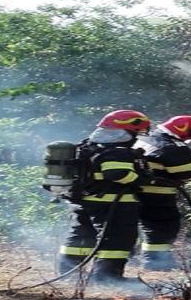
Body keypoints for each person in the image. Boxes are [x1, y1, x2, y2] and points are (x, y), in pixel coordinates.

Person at [58, 109, 150, 286]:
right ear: (125, 131)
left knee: (81, 236)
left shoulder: (88, 146)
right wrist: (142, 180)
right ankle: (107, 278)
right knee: (118, 239)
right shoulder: (118, 151)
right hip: (112, 204)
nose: (137, 137)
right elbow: (117, 173)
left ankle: (67, 273)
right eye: (135, 132)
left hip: (84, 202)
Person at [136, 115, 191, 270]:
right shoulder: (174, 147)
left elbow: (159, 160)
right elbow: (185, 174)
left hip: (132, 193)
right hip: (156, 194)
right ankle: (155, 262)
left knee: (135, 225)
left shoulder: (147, 138)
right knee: (164, 226)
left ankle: (134, 258)